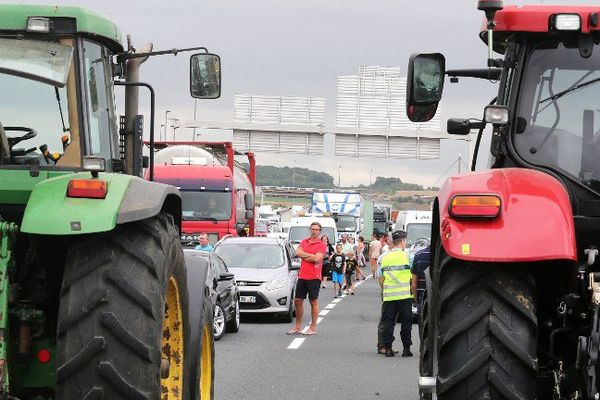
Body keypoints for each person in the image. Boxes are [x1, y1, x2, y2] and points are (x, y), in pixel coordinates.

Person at [377, 230, 413, 357]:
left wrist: (384, 290)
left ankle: (388, 349)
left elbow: (380, 277)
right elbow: (413, 275)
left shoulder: (384, 257)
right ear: (402, 242)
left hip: (389, 296)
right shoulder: (408, 256)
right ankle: (406, 349)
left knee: (388, 322)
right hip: (404, 296)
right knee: (406, 323)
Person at [287, 222, 326, 336]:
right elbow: (297, 252)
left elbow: (317, 259)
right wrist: (310, 256)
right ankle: (298, 327)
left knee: (313, 301)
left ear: (319, 231)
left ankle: (312, 327)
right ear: (310, 230)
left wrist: (305, 255)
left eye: (316, 229)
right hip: (302, 275)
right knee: (298, 300)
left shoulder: (321, 244)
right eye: (312, 229)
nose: (314, 231)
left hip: (314, 276)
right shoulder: (304, 241)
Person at [411, 245, 431, 316]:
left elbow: (413, 285)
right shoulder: (447, 255)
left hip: (422, 300)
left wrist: (417, 302)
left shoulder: (418, 255)